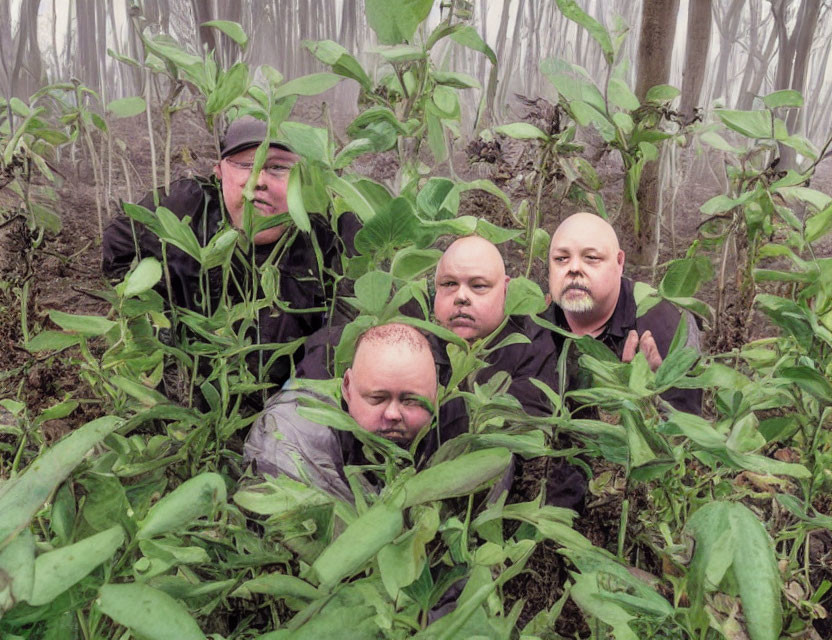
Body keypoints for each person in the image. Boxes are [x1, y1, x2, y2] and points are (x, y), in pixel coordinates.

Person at [102, 116, 359, 393]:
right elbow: (120, 246)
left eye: (277, 167)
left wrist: (301, 392)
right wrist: (153, 316)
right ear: (219, 171)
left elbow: (352, 323)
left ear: (305, 178)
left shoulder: (330, 233)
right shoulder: (188, 208)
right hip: (192, 392)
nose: (258, 181)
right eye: (246, 165)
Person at [243, 323, 437, 501]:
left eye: (411, 401)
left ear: (436, 394)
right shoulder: (296, 433)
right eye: (378, 398)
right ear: (347, 387)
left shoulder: (456, 422)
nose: (393, 414)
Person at [544, 211, 702, 414]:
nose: (574, 267)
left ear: (619, 262)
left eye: (591, 258)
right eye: (561, 259)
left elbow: (685, 430)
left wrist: (644, 409)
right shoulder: (534, 317)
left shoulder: (661, 323)